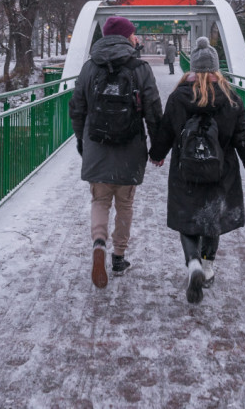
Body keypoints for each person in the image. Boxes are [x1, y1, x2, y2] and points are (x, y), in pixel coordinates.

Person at [149, 37, 245, 304]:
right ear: (215, 69)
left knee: (187, 216)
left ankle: (193, 263)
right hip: (221, 169)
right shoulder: (231, 98)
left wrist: (157, 154)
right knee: (213, 216)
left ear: (193, 68)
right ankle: (208, 264)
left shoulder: (178, 96)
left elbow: (166, 130)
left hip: (186, 168)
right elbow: (242, 137)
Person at [69, 16, 163, 289]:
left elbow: (76, 108)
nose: (135, 38)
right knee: (125, 204)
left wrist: (81, 139)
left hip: (96, 145)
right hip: (130, 147)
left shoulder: (89, 67)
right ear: (125, 37)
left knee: (99, 200)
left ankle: (99, 243)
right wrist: (157, 147)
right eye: (133, 33)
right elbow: (153, 110)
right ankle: (119, 257)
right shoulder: (140, 68)